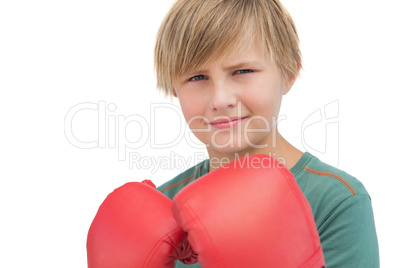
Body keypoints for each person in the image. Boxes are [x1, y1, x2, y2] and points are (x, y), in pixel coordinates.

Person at [154, 0, 379, 267]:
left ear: (289, 72)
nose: (220, 99)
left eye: (243, 71)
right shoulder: (161, 208)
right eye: (197, 77)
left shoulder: (336, 202)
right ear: (174, 89)